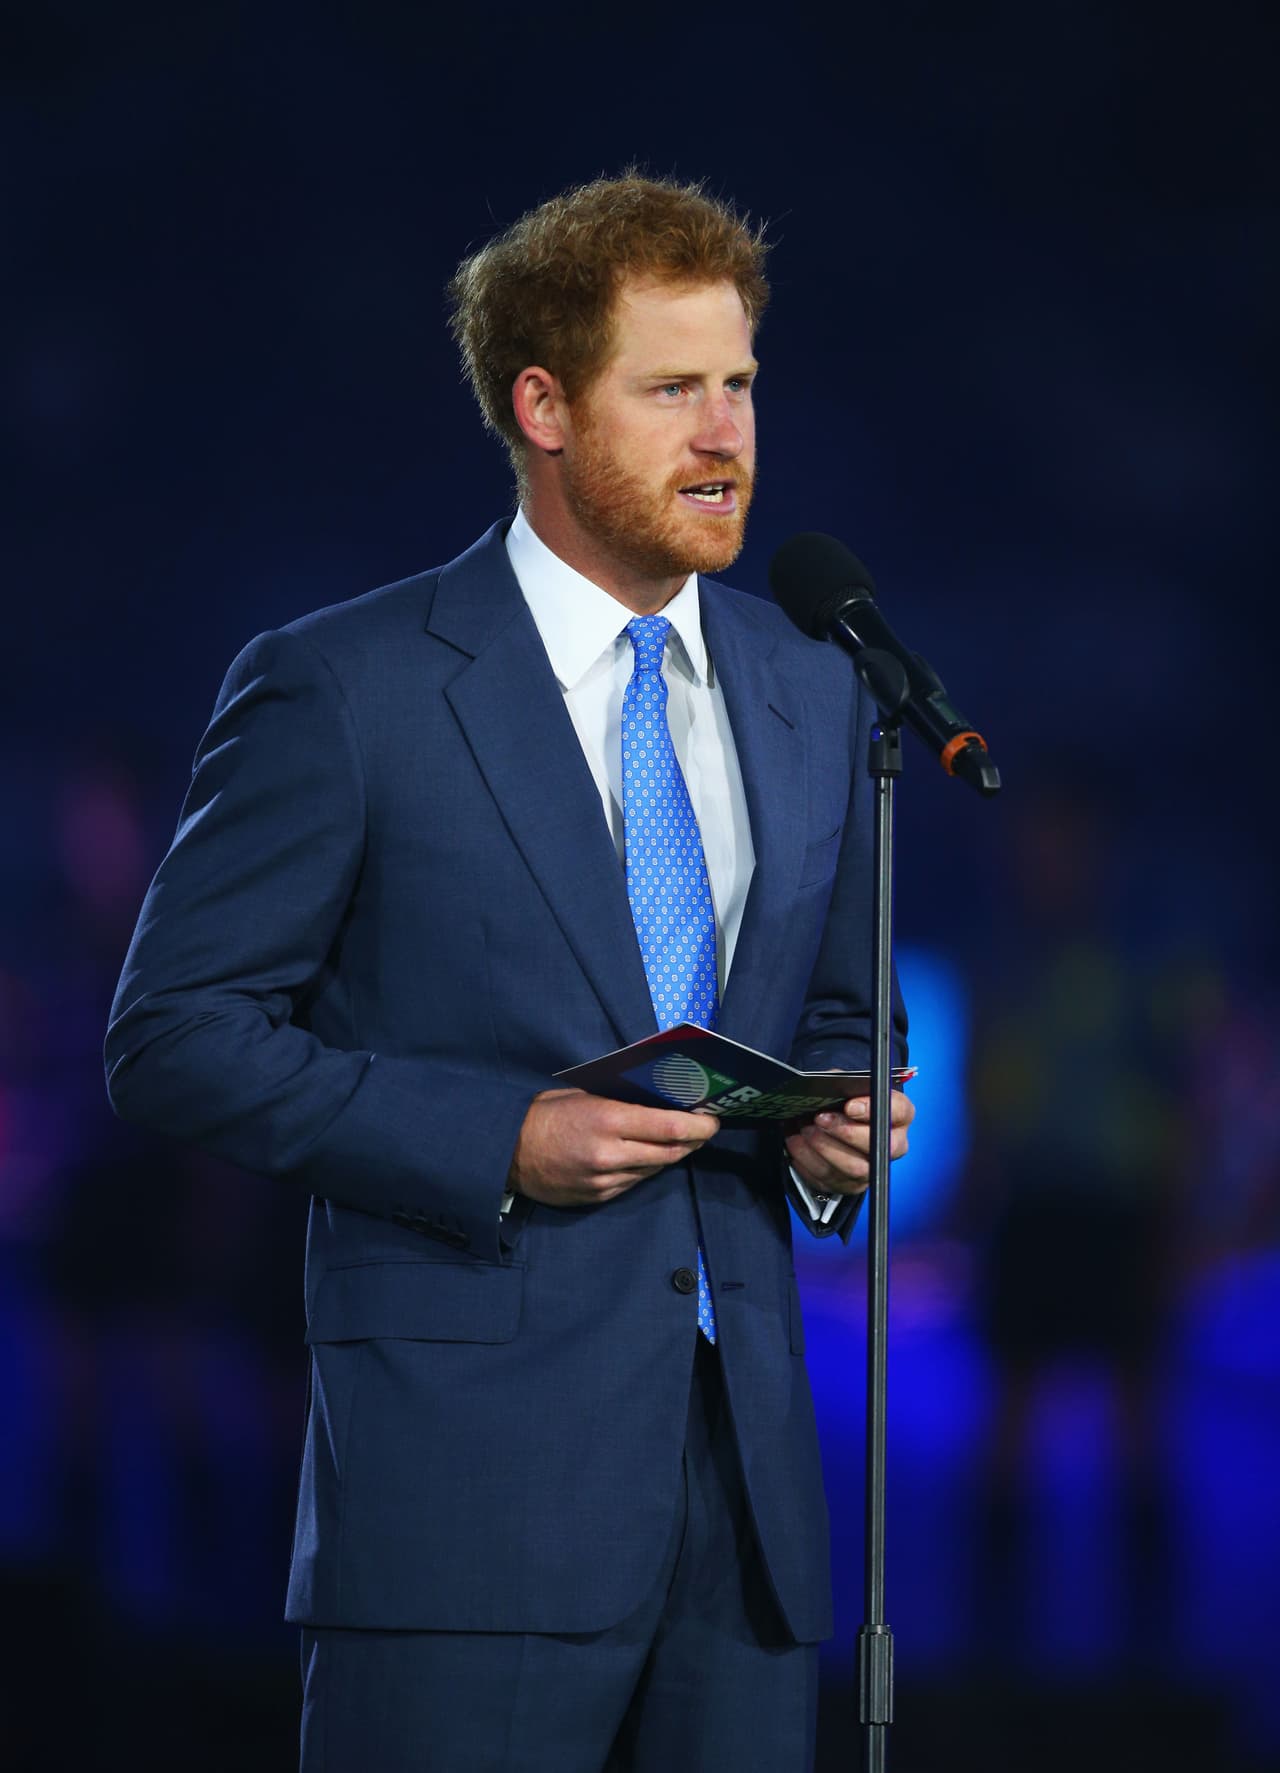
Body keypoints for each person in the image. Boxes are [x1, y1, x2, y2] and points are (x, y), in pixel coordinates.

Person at [105, 174, 913, 1772]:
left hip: (748, 1521)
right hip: (460, 1511)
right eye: (670, 388)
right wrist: (499, 1140)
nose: (724, 432)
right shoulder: (347, 686)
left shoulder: (813, 689)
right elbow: (172, 1034)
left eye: (740, 383)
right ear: (542, 405)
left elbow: (840, 1014)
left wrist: (838, 1136)